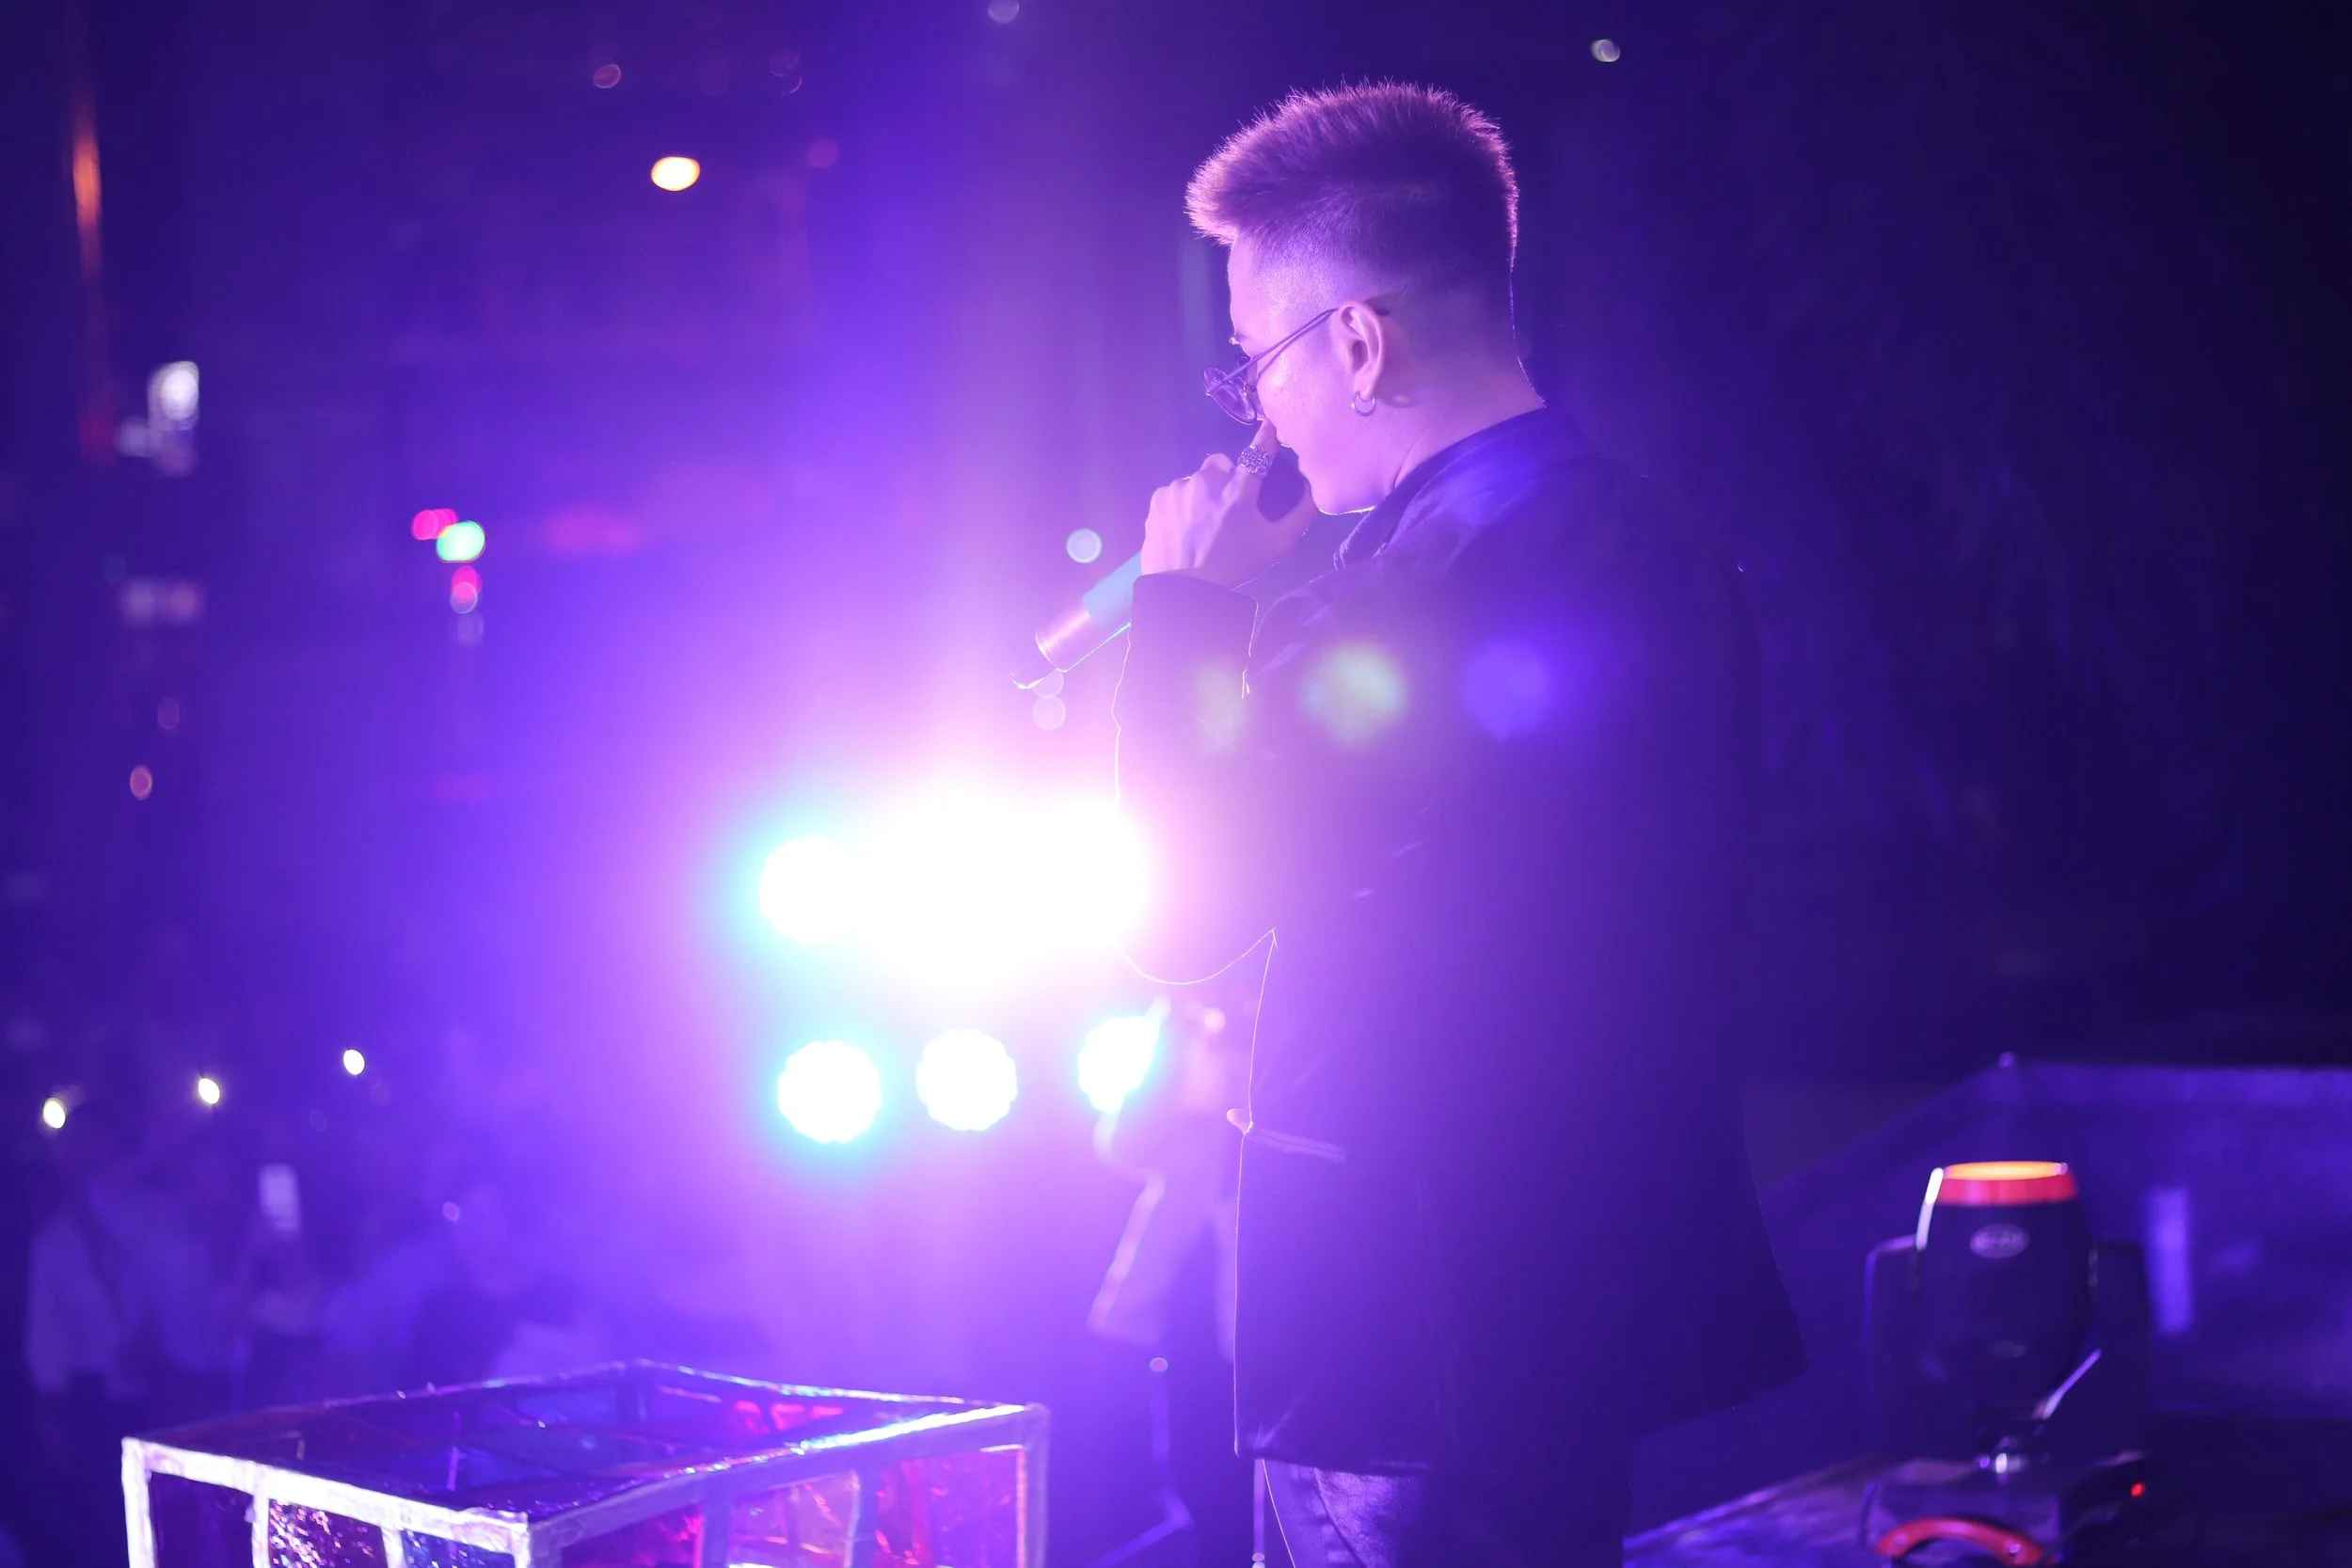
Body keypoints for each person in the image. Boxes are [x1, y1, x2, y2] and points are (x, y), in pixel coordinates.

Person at [1114, 84, 1805, 1568]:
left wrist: (1182, 620)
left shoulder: (1416, 588)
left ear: (1356, 344)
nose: (1265, 424)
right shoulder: (1662, 543)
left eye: (1256, 369)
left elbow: (1178, 915)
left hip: (1402, 1347)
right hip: (1577, 1301)